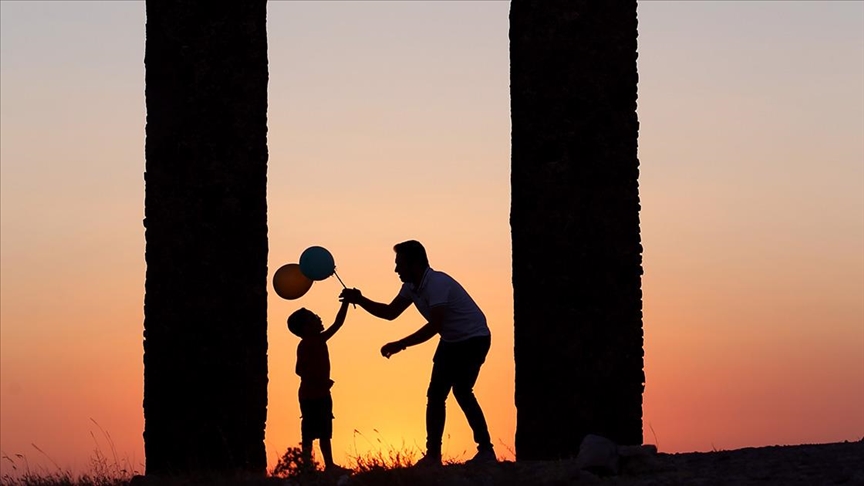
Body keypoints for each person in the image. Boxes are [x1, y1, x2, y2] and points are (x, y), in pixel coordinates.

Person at [339, 240, 496, 466]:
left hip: (474, 339)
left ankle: (486, 451)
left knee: (462, 390)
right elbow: (390, 312)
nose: (395, 270)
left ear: (415, 263)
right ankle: (433, 456)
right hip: (451, 341)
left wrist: (400, 344)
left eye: (399, 264)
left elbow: (435, 326)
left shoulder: (437, 283)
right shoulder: (411, 287)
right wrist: (359, 299)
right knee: (435, 396)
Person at [287, 301, 352, 474]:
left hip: (322, 393)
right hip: (310, 395)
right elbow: (299, 370)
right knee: (308, 432)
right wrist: (318, 381)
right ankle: (307, 466)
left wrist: (345, 303)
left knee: (325, 430)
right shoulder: (306, 344)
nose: (318, 319)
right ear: (305, 328)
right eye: (313, 318)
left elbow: (338, 323)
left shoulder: (319, 339)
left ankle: (329, 465)